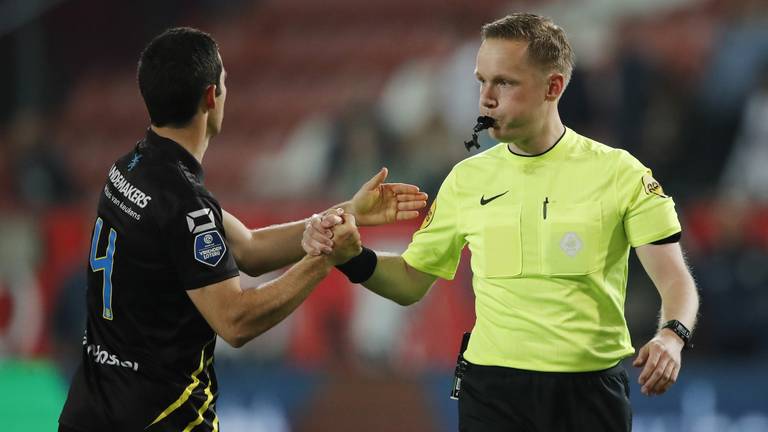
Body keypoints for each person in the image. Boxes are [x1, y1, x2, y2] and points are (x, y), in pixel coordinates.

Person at [304, 13, 699, 431]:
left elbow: (676, 280)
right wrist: (352, 257)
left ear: (553, 87)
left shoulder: (619, 173)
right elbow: (409, 280)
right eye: (481, 81)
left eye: (504, 82)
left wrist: (671, 336)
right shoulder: (466, 179)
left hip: (588, 395)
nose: (485, 99)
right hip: (492, 394)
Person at [58, 27, 427, 432]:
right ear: (211, 97)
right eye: (225, 83)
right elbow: (235, 322)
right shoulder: (184, 203)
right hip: (161, 418)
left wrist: (348, 211)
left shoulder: (129, 169)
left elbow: (248, 248)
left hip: (91, 410)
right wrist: (325, 259)